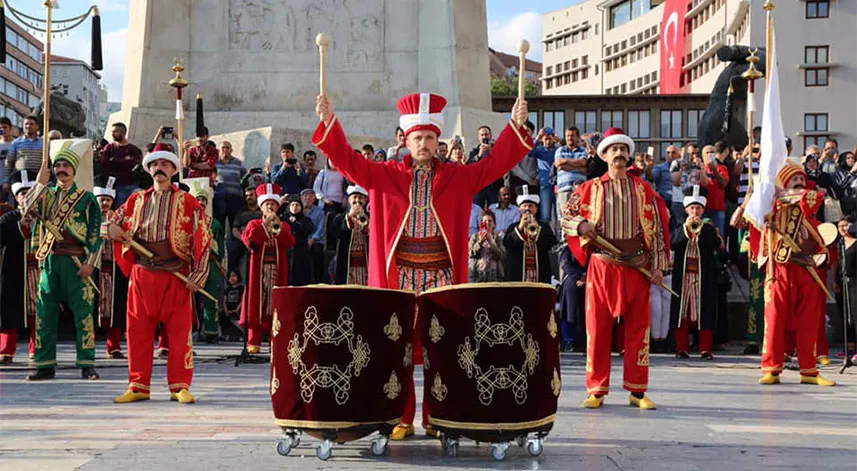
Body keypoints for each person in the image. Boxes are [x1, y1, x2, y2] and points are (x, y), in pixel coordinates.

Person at [313, 91, 532, 440]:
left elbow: (495, 165)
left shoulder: (458, 177)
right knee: (396, 348)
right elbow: (349, 163)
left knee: (441, 348)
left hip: (442, 276)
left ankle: (439, 417)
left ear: (438, 140)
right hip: (399, 275)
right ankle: (401, 416)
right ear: (406, 139)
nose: (424, 144)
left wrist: (515, 126)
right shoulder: (384, 175)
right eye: (418, 138)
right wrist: (329, 122)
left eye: (430, 137)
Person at [562, 127, 669, 410]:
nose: (619, 154)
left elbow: (657, 230)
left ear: (629, 155)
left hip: (636, 266)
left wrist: (658, 267)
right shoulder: (588, 188)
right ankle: (596, 388)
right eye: (614, 149)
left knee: (638, 329)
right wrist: (580, 225)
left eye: (623, 149)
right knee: (597, 328)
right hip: (603, 266)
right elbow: (566, 217)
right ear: (605, 155)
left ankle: (637, 390)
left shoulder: (644, 189)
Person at [104, 146, 210, 403]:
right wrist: (112, 229)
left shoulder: (188, 201)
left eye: (165, 164)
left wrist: (200, 272)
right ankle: (138, 385)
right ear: (149, 169)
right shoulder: (135, 199)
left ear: (174, 170)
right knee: (138, 329)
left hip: (176, 274)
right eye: (155, 164)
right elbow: (110, 224)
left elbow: (203, 238)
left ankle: (179, 385)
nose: (159, 169)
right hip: (143, 273)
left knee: (179, 332)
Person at [22, 140, 102, 381]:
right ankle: (45, 364)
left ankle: (87, 363)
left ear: (74, 170)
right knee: (45, 314)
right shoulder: (44, 194)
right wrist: (39, 183)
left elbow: (96, 234)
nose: (62, 169)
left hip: (76, 261)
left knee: (83, 314)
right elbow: (26, 212)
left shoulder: (86, 198)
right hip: (50, 260)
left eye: (67, 165)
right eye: (58, 165)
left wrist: (91, 263)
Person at [755, 163, 835, 387]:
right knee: (774, 319)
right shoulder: (773, 208)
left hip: (807, 270)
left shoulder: (810, 207)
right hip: (780, 269)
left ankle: (809, 370)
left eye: (801, 179)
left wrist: (820, 255)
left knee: (809, 321)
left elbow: (812, 200)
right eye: (794, 180)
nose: (799, 183)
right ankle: (772, 368)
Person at [240, 184, 296, 353]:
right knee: (256, 302)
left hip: (277, 269)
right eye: (267, 205)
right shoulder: (254, 224)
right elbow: (250, 242)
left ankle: (275, 340)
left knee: (275, 303)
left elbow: (290, 243)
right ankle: (253, 340)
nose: (270, 207)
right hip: (258, 269)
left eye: (273, 205)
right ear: (261, 207)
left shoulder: (284, 225)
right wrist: (265, 227)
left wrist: (279, 229)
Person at [671, 186, 719, 360]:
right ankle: (681, 348)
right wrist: (686, 229)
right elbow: (673, 243)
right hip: (683, 277)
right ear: (686, 209)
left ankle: (705, 348)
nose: (695, 211)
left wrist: (701, 230)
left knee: (705, 311)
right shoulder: (678, 227)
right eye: (692, 208)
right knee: (682, 312)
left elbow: (714, 245)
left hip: (703, 276)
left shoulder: (709, 229)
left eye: (698, 208)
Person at [0, 170, 38, 364]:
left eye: (29, 193)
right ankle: (6, 350)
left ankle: (37, 349)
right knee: (9, 310)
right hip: (15, 271)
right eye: (22, 193)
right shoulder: (8, 218)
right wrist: (22, 226)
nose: (26, 197)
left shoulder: (44, 218)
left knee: (39, 312)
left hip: (38, 271)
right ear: (16, 197)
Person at [93, 175, 128, 359]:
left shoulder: (118, 218)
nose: (105, 203)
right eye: (102, 199)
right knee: (90, 309)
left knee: (116, 308)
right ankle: (87, 346)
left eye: (108, 199)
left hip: (114, 269)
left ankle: (113, 346)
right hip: (94, 269)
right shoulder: (89, 217)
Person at [191, 186, 225, 344]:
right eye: (198, 199)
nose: (201, 202)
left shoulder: (215, 223)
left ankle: (211, 331)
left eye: (204, 200)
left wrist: (219, 256)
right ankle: (192, 331)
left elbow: (221, 244)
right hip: (192, 263)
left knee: (211, 298)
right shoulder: (187, 221)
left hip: (210, 263)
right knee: (191, 299)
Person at [503, 188, 557, 283]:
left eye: (531, 206)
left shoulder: (544, 226)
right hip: (518, 276)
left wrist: (538, 229)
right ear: (520, 209)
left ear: (536, 209)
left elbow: (551, 243)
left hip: (540, 276)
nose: (527, 209)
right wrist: (520, 228)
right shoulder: (513, 227)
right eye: (524, 206)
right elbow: (507, 243)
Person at [96, 123, 143, 206]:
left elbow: (134, 164)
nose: (112, 134)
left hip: (130, 185)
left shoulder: (133, 150)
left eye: (115, 132)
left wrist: (114, 160)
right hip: (114, 187)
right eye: (112, 132)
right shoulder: (109, 148)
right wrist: (123, 160)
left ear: (123, 133)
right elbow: (104, 163)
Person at [332, 185, 370, 285]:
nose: (357, 200)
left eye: (360, 197)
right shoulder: (339, 218)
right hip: (347, 262)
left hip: (365, 262)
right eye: (354, 197)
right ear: (349, 200)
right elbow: (338, 234)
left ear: (365, 200)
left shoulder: (371, 217)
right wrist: (349, 217)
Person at [554, 126, 588, 223]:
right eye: (568, 136)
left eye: (572, 135)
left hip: (579, 190)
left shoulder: (583, 150)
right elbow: (560, 166)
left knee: (579, 217)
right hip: (564, 190)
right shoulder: (560, 150)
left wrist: (565, 161)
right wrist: (578, 167)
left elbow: (584, 163)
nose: (570, 138)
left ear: (577, 137)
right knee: (565, 217)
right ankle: (565, 238)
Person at [834, 216, 857, 361]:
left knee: (855, 315)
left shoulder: (855, 243)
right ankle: (848, 346)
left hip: (855, 281)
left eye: (845, 225)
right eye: (839, 226)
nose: (842, 229)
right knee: (844, 313)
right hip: (842, 281)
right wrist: (834, 281)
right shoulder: (840, 244)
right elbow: (836, 264)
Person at [280, 195, 315, 286]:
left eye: (297, 205)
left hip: (301, 249)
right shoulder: (283, 218)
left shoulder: (305, 219)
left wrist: (295, 223)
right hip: (286, 249)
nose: (295, 207)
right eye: (292, 205)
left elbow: (309, 229)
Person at [558, 243, 586, 352]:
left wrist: (587, 276)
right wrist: (579, 276)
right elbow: (566, 264)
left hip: (590, 278)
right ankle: (570, 340)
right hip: (573, 278)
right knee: (571, 291)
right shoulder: (569, 247)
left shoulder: (593, 247)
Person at [215, 140, 247, 227]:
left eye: (227, 148)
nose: (225, 150)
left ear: (231, 150)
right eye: (223, 148)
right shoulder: (214, 163)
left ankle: (234, 240)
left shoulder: (238, 163)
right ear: (219, 150)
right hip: (219, 198)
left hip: (234, 198)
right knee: (220, 224)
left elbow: (244, 179)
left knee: (234, 224)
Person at [468, 209, 505, 282]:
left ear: (494, 224)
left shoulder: (498, 238)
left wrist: (491, 242)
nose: (487, 223)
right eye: (485, 221)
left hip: (495, 274)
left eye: (490, 221)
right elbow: (471, 254)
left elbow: (501, 256)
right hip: (478, 274)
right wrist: (480, 243)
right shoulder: (475, 237)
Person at [5, 115, 43, 184]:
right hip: (19, 179)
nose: (28, 126)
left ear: (37, 126)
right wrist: (6, 181)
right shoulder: (16, 143)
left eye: (31, 124)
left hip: (38, 180)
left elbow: (49, 163)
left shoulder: (44, 143)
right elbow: (9, 163)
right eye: (26, 124)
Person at [704, 142, 730, 236]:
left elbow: (723, 184)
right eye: (707, 152)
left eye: (712, 152)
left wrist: (715, 170)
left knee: (718, 236)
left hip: (717, 208)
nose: (710, 154)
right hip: (702, 208)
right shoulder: (700, 168)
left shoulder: (722, 168)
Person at [300, 189, 327, 283]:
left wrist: (312, 239)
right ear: (301, 198)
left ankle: (318, 278)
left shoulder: (319, 211)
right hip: (301, 239)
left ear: (314, 199)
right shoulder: (298, 209)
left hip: (316, 240)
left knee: (317, 251)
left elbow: (321, 228)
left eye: (311, 196)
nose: (307, 198)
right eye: (305, 196)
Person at [0, 117, 16, 202]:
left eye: (5, 127)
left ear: (11, 128)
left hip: (15, 183)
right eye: (0, 128)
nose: (2, 130)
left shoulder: (17, 144)